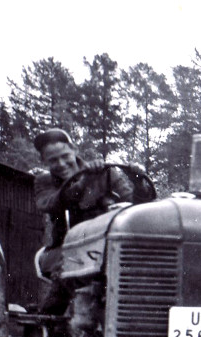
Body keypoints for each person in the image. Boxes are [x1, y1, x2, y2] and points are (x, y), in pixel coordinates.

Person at [32, 128, 135, 313]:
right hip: (62, 250)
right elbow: (52, 203)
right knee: (71, 268)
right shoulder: (44, 181)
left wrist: (138, 180)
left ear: (74, 150)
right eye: (53, 160)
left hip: (107, 247)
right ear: (43, 161)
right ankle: (48, 324)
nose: (61, 164)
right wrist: (83, 181)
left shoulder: (106, 173)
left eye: (65, 156)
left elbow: (135, 207)